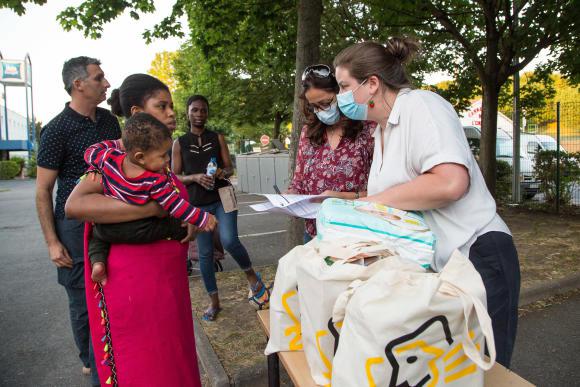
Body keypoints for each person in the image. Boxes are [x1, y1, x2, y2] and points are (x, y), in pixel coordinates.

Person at [333, 38, 520, 367]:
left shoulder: (422, 105)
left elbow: (450, 182)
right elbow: (402, 198)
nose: (340, 98)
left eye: (344, 86)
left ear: (372, 84)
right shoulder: (381, 132)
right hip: (443, 266)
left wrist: (371, 202)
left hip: (479, 253)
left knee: (487, 371)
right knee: (453, 370)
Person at [65, 74, 203, 386]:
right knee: (145, 366)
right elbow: (75, 206)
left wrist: (188, 223)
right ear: (138, 113)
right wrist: (153, 207)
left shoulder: (160, 156)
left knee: (173, 359)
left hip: (167, 280)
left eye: (171, 106)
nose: (171, 113)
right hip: (133, 282)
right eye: (162, 106)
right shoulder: (114, 156)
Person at [35, 56, 120, 386]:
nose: (106, 83)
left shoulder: (110, 123)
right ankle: (91, 363)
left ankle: (108, 356)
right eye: (99, 78)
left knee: (110, 289)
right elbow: (43, 190)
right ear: (78, 85)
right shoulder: (56, 130)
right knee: (82, 300)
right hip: (72, 228)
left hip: (110, 218)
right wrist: (52, 242)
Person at [85, 113, 217, 284]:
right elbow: (176, 205)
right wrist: (202, 218)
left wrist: (118, 143)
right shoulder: (153, 180)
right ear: (140, 157)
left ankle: (97, 262)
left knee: (96, 238)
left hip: (107, 227)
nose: (168, 159)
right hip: (140, 228)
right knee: (173, 226)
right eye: (163, 156)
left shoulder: (109, 158)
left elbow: (90, 152)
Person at [172, 95, 270, 321]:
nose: (199, 114)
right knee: (205, 255)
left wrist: (220, 173)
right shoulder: (180, 143)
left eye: (203, 110)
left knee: (229, 240)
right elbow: (175, 176)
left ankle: (251, 277)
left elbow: (229, 169)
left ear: (207, 113)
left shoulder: (217, 138)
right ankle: (214, 302)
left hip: (223, 197)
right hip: (198, 205)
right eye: (194, 110)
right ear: (187, 112)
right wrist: (196, 177)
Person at [287, 64, 375, 243]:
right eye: (315, 106)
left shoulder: (369, 129)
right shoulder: (308, 132)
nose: (322, 110)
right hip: (315, 231)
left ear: (341, 92)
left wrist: (343, 197)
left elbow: (383, 190)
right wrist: (290, 196)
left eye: (326, 103)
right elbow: (299, 180)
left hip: (357, 232)